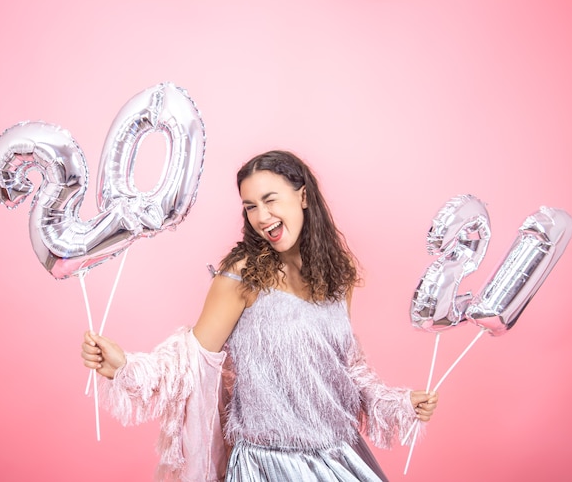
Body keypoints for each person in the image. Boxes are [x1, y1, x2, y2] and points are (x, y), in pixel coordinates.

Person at [81, 150, 438, 482]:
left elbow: (345, 372)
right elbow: (192, 357)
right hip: (266, 466)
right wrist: (126, 367)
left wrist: (400, 403)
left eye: (270, 200)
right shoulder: (243, 275)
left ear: (303, 196)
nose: (262, 217)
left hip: (338, 460)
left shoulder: (336, 278)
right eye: (250, 206)